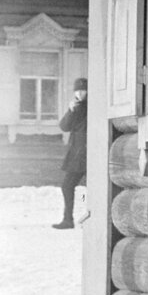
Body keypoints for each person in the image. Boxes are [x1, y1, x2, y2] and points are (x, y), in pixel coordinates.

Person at [52, 77, 88, 229]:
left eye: (83, 90)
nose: (80, 94)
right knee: (67, 185)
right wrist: (71, 110)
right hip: (77, 154)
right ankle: (67, 220)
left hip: (87, 152)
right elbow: (64, 126)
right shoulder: (77, 107)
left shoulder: (89, 107)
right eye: (77, 91)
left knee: (91, 188)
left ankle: (87, 219)